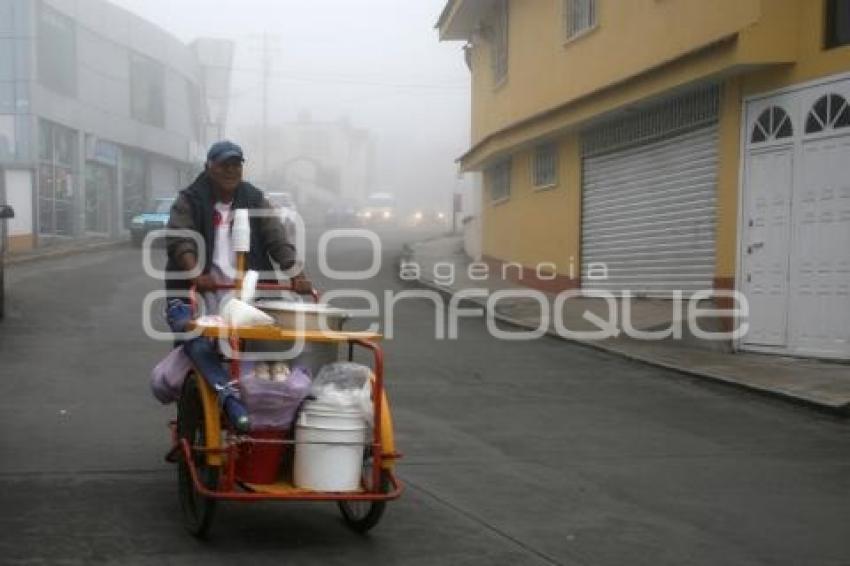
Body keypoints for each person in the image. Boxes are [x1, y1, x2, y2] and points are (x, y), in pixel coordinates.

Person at [164, 140, 310, 433]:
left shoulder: (254, 199)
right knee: (196, 344)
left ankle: (272, 418)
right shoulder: (189, 199)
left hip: (244, 294)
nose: (231, 170)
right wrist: (195, 272)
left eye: (236, 165)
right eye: (224, 165)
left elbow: (276, 239)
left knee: (261, 351)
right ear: (209, 167)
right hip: (198, 293)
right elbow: (181, 238)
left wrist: (296, 273)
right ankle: (206, 415)